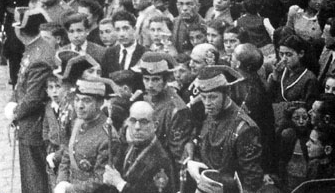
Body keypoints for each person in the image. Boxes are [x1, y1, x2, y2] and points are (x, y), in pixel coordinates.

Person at [186, 65, 264, 193]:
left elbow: (252, 181)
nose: (207, 103)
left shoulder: (244, 128)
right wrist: (190, 160)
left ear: (227, 93)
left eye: (212, 97)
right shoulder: (210, 114)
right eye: (203, 97)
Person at [4, 8, 55, 193]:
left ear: (19, 30)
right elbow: (20, 84)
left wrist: (15, 113)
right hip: (28, 124)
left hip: (34, 126)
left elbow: (33, 98)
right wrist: (12, 102)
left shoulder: (39, 56)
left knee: (35, 179)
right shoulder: (35, 48)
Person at [103, 101, 176, 193]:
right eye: (133, 121)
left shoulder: (162, 159)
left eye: (144, 122)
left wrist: (119, 183)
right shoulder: (127, 148)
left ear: (155, 126)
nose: (137, 127)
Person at [53, 78, 112, 193]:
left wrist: (69, 189)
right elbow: (67, 155)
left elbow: (101, 180)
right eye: (77, 99)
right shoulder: (78, 121)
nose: (80, 106)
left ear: (99, 103)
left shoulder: (107, 136)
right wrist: (61, 181)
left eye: (86, 100)